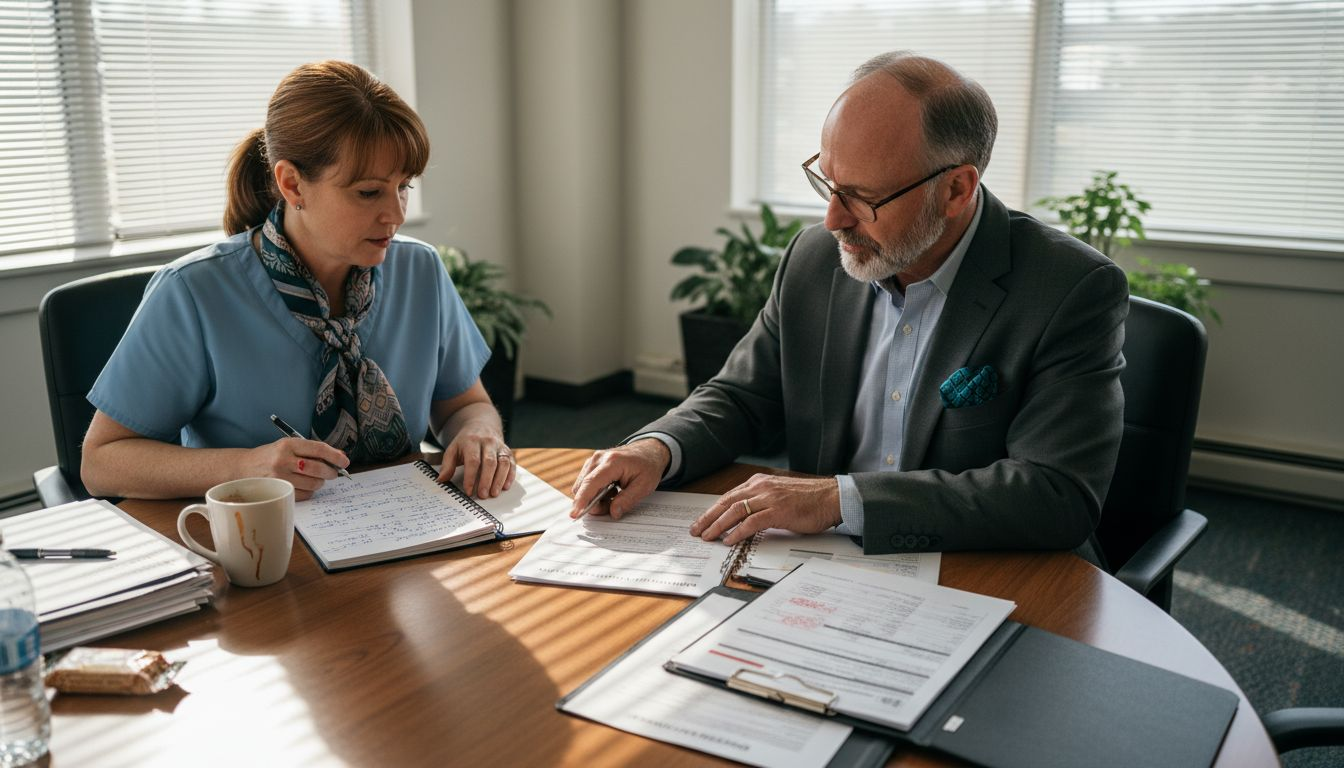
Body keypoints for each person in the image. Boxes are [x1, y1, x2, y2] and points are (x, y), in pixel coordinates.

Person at [571, 52, 1128, 562]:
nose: (833, 220)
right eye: (828, 183)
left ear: (957, 189)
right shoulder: (816, 258)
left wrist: (840, 499)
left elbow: (1056, 494)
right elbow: (743, 395)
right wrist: (656, 448)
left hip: (986, 566)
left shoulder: (1070, 288)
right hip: (822, 564)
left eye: (862, 196)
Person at [82, 61, 514, 501]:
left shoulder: (420, 271)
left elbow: (463, 405)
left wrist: (479, 431)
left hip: (410, 530)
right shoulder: (193, 292)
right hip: (261, 546)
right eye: (369, 192)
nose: (396, 215)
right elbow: (102, 462)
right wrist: (248, 466)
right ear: (292, 184)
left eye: (405, 186)